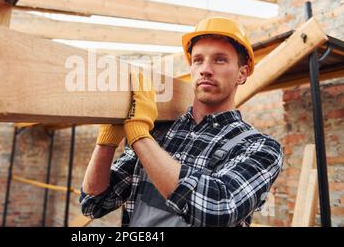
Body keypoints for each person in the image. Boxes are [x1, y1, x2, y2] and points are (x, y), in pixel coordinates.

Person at [79, 17, 283, 227]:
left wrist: (139, 136)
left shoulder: (261, 147)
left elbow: (218, 210)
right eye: (198, 60)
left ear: (243, 73)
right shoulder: (159, 134)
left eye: (220, 60)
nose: (205, 69)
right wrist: (107, 141)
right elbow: (94, 203)